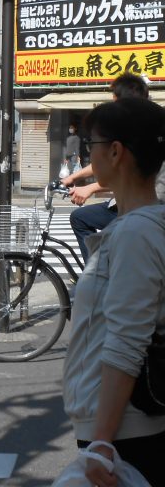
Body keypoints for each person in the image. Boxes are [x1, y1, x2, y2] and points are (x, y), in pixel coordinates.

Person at [62, 97, 165, 486]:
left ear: (117, 152)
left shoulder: (135, 234)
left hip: (125, 432)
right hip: (129, 424)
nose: (90, 154)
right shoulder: (143, 225)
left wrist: (101, 443)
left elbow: (126, 341)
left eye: (93, 145)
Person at [61, 72, 165, 261]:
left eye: (92, 143)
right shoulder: (146, 123)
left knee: (83, 220)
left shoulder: (140, 130)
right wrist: (73, 177)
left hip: (148, 205)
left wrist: (91, 187)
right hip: (137, 206)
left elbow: (128, 172)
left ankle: (96, 263)